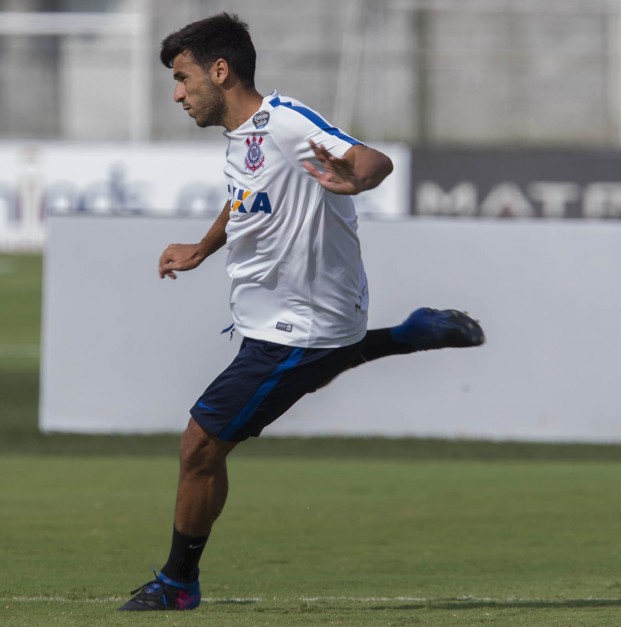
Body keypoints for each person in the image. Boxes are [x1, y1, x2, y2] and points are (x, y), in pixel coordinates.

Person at [118, 13, 485, 612]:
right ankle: (408, 334)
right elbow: (245, 199)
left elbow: (373, 162)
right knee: (322, 360)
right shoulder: (242, 137)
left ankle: (178, 584)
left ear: (220, 70)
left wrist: (354, 178)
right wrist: (202, 248)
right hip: (285, 321)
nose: (177, 94)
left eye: (183, 78)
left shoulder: (285, 121)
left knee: (199, 447)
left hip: (296, 327)